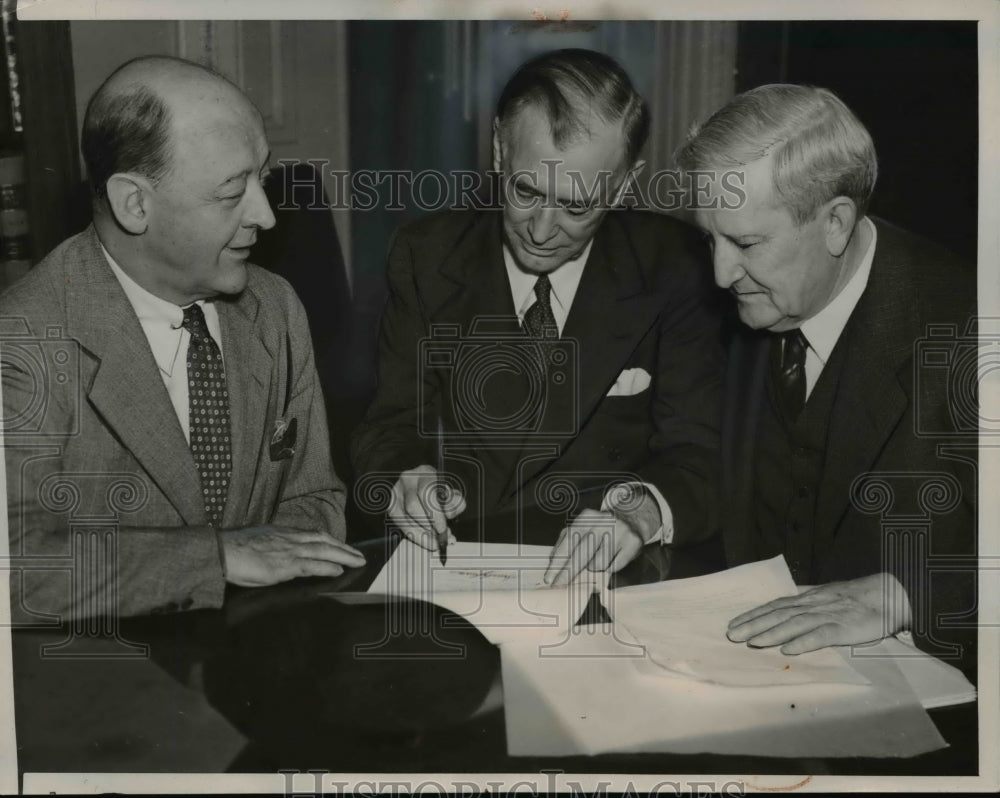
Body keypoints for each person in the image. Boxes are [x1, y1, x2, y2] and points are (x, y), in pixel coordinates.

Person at [1, 55, 364, 621]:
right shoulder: (24, 341)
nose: (266, 216)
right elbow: (15, 565)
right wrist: (214, 559)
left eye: (261, 179)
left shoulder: (275, 308)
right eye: (230, 193)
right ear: (135, 204)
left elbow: (315, 500)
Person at [351, 49, 724, 583]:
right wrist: (405, 477)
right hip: (457, 562)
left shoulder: (677, 268)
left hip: (608, 573)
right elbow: (387, 426)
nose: (542, 230)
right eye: (525, 190)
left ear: (622, 185)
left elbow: (698, 454)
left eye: (577, 206)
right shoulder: (428, 256)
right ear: (499, 149)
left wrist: (636, 515)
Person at [675, 84, 976, 664]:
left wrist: (905, 595)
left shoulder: (971, 331)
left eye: (745, 242)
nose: (719, 273)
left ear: (836, 222)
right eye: (708, 238)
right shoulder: (761, 300)